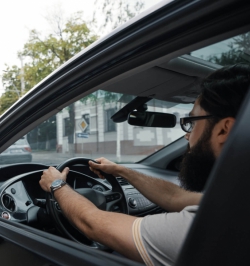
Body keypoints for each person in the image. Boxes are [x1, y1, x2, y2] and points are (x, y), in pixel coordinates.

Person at [40, 63, 250, 265]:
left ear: (223, 129)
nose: (187, 136)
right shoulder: (236, 199)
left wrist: (57, 186)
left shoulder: (207, 227)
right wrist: (120, 170)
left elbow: (92, 223)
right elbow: (175, 196)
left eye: (192, 122)